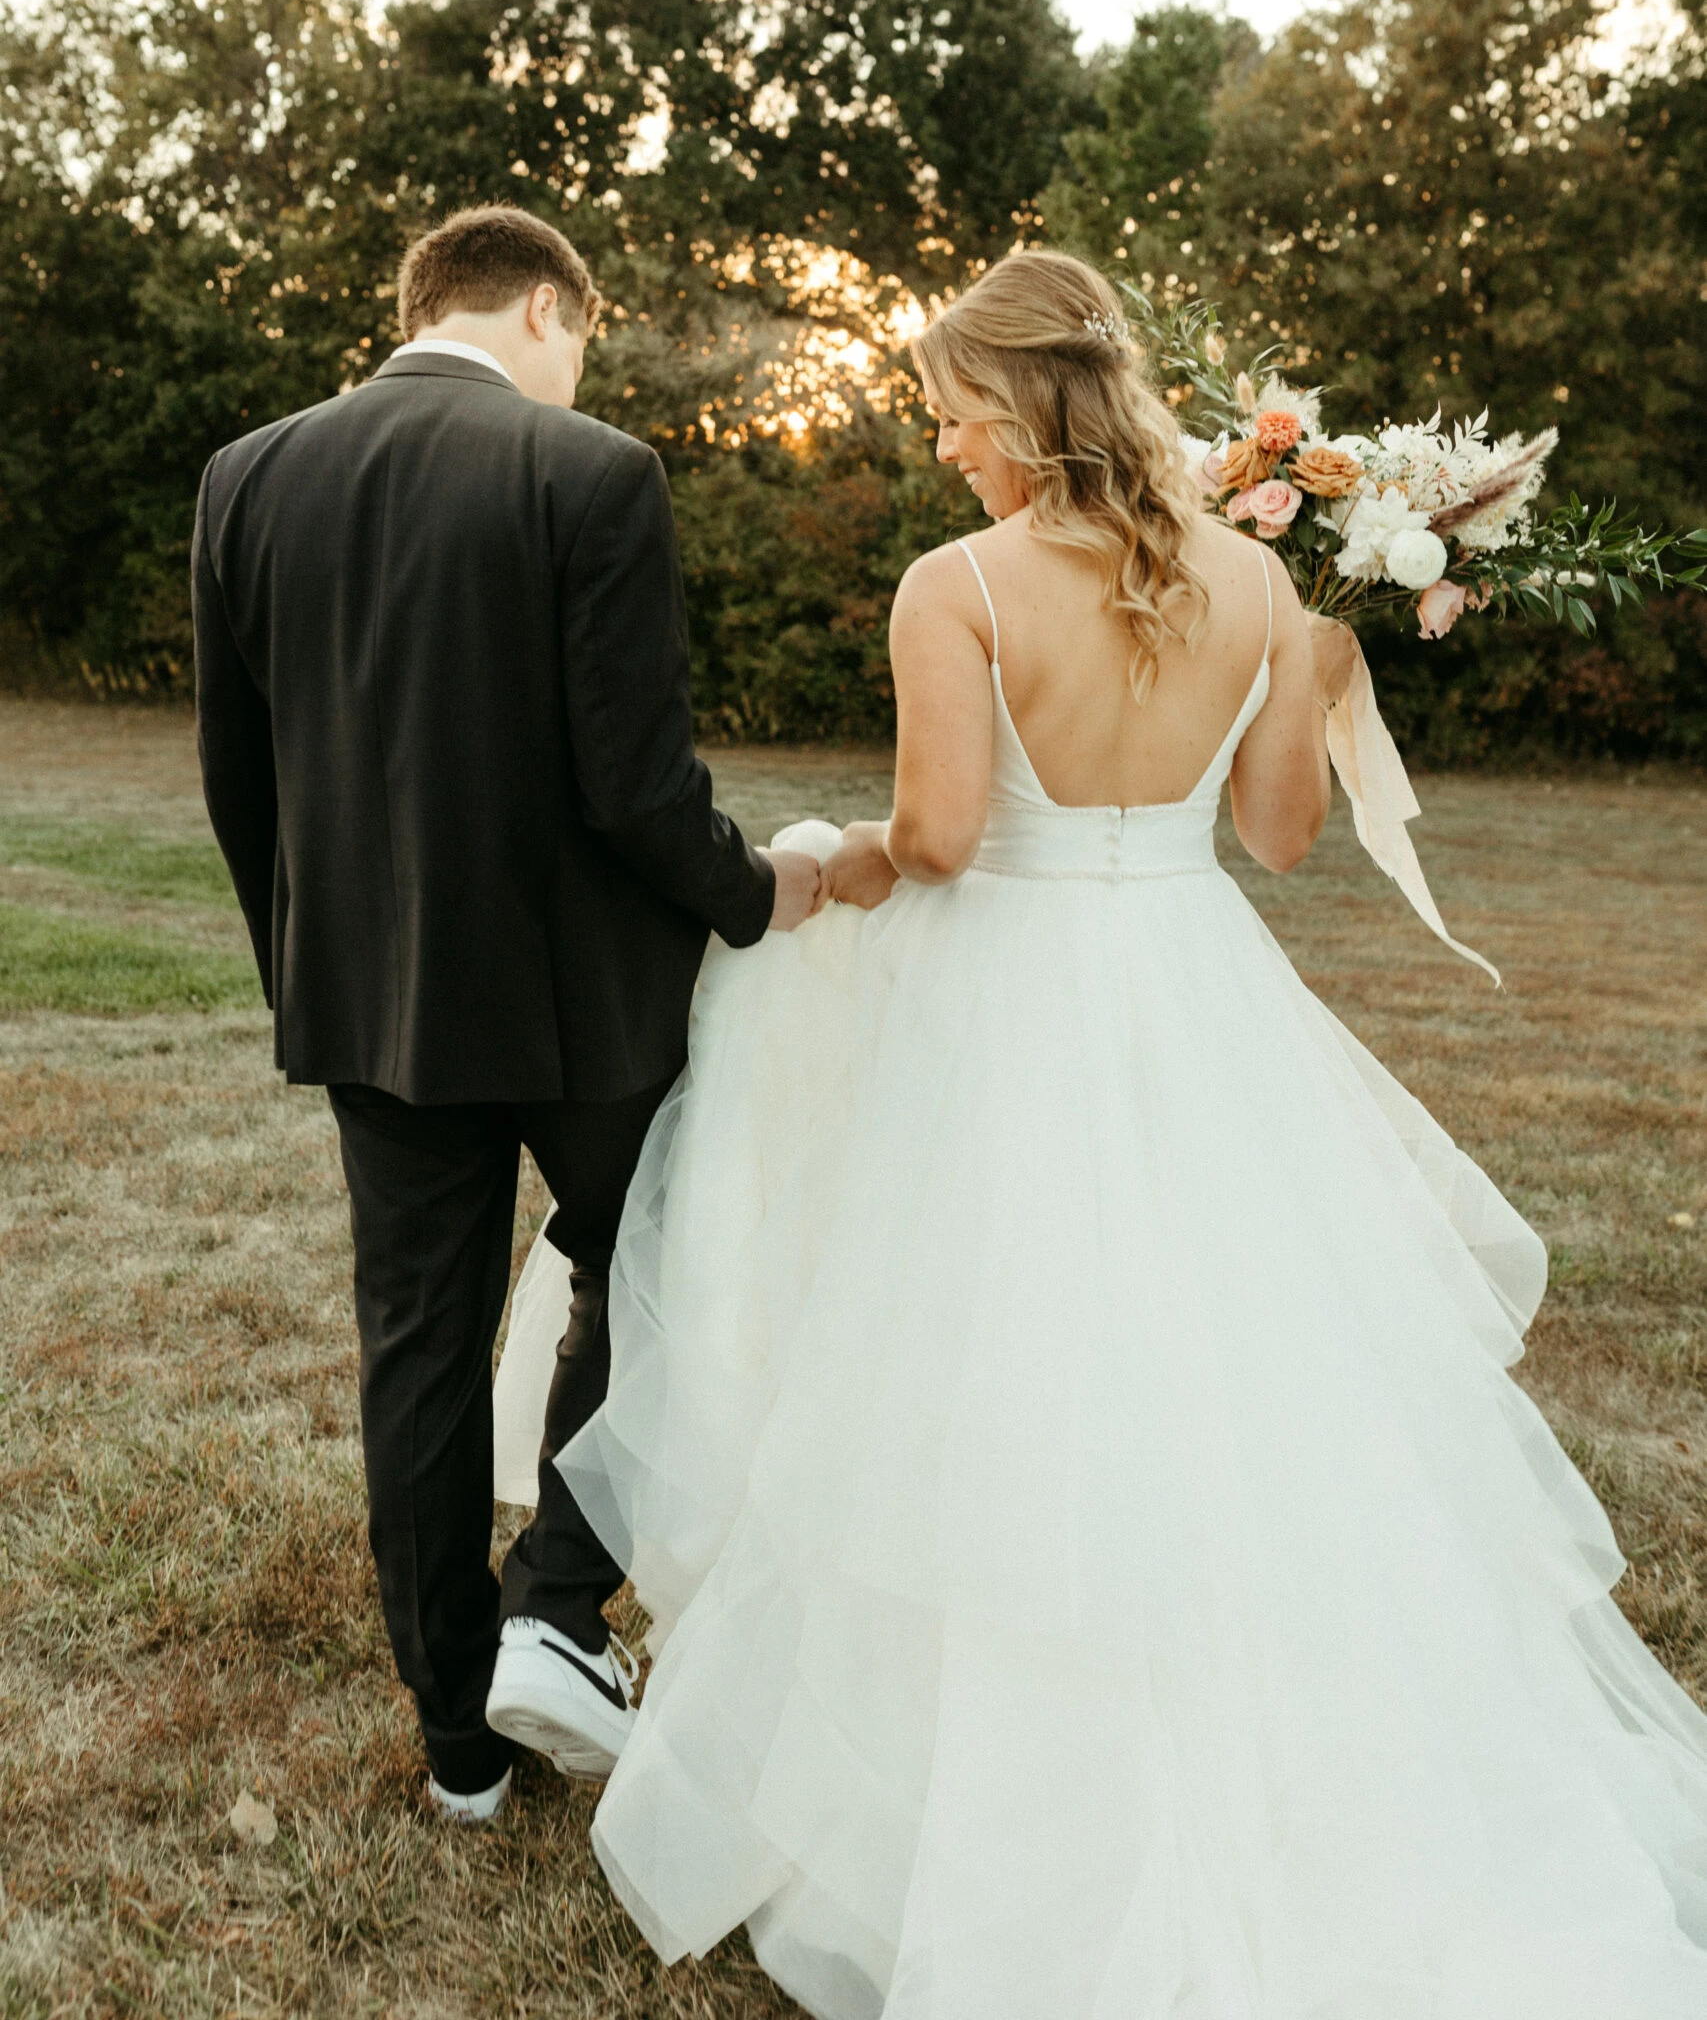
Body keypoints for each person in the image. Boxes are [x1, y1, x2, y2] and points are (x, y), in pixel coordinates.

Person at [502, 250, 1707, 2015]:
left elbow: (937, 836)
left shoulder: (958, 586)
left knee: (988, 1371)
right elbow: (1281, 840)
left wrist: (830, 860)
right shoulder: (1263, 583)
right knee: (1234, 1367)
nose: (935, 449)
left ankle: (982, 1780)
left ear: (1009, 409)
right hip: (1190, 991)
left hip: (1004, 1005)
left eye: (942, 416)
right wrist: (1312, 664)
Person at [192, 203, 821, 1825]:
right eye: (583, 340)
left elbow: (238, 781)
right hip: (583, 1004)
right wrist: (756, 895)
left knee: (416, 1340)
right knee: (659, 1270)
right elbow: (635, 789)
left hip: (373, 1007)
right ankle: (554, 1602)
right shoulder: (591, 473)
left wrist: (316, 977)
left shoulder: (247, 475)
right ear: (545, 305)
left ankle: (455, 1741)